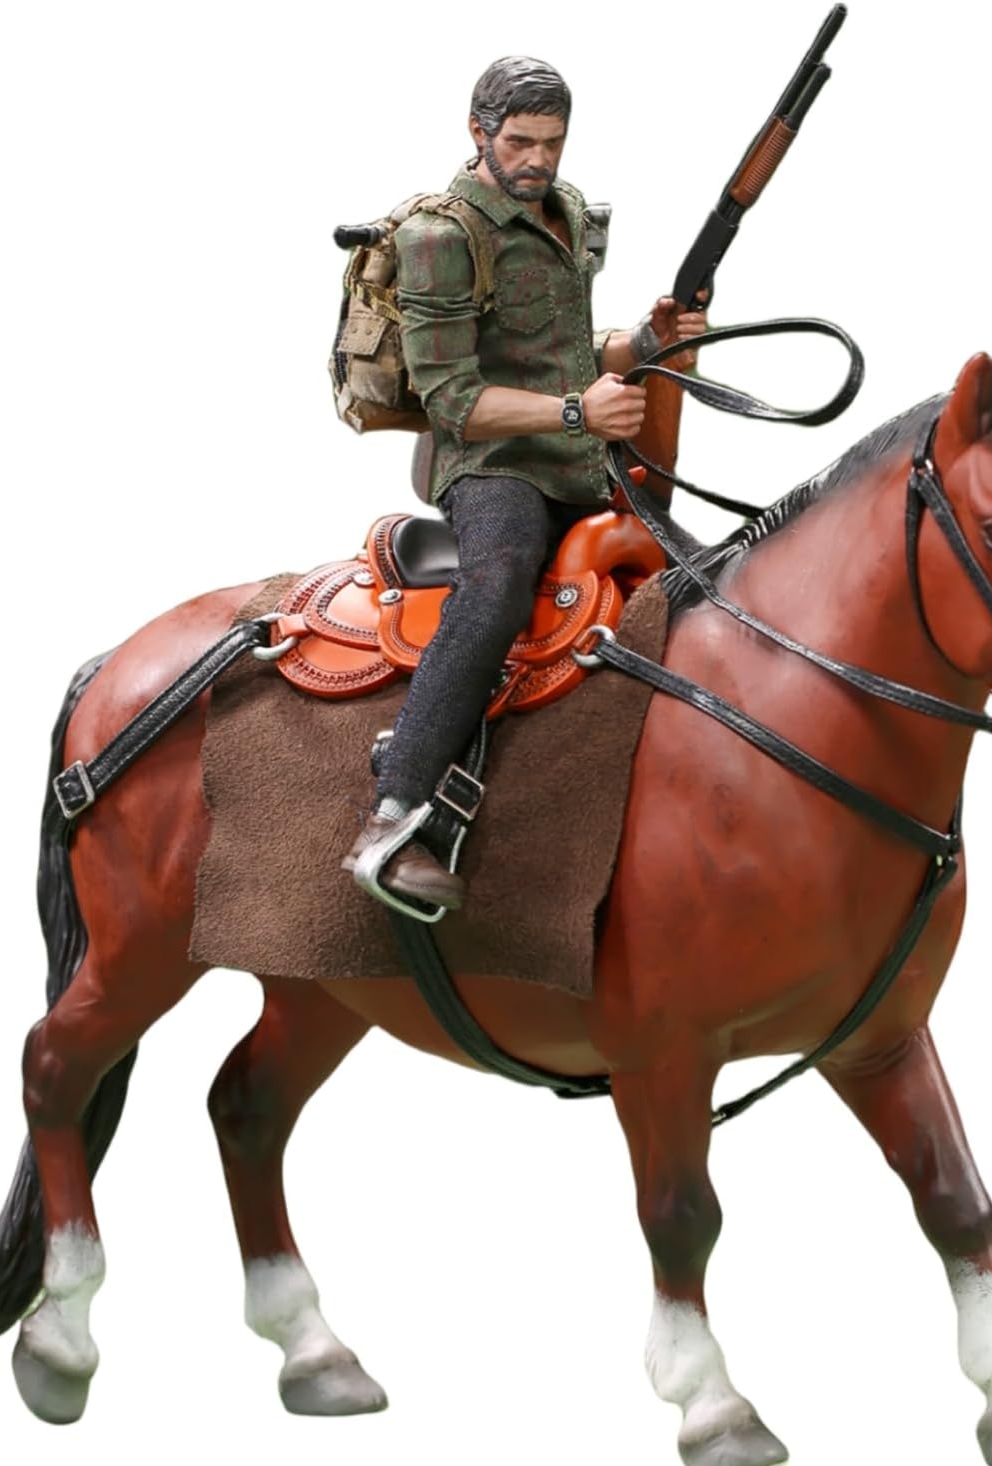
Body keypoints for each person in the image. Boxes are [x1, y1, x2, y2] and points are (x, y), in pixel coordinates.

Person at [344, 55, 707, 912]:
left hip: (576, 460)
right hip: (491, 467)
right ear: (478, 133)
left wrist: (644, 342)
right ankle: (391, 814)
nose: (538, 159)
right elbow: (453, 401)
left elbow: (568, 349)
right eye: (519, 142)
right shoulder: (439, 238)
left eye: (552, 141)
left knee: (705, 576)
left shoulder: (568, 212)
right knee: (499, 582)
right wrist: (580, 410)